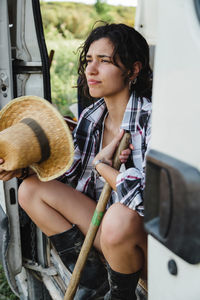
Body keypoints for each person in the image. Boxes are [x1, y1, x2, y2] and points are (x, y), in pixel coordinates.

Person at [0, 23, 152, 300]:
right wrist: (23, 170)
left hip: (146, 249)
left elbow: (144, 202)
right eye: (88, 60)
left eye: (104, 61)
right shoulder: (93, 117)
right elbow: (70, 178)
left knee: (118, 216)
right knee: (31, 190)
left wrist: (103, 167)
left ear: (133, 70)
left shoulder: (150, 119)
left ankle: (122, 294)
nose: (90, 70)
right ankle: (93, 279)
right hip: (105, 235)